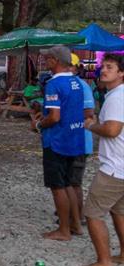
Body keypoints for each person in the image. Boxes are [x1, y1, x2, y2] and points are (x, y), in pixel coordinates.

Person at [77, 53, 124, 266]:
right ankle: (123, 254)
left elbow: (112, 130)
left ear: (121, 73)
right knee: (119, 211)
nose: (103, 70)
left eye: (110, 67)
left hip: (114, 167)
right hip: (121, 166)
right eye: (102, 66)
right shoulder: (118, 95)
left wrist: (91, 125)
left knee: (93, 213)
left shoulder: (116, 97)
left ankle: (104, 262)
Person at [35, 45, 86, 240]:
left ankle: (63, 230)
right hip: (74, 140)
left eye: (47, 58)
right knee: (69, 184)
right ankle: (75, 225)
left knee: (58, 187)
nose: (45, 61)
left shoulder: (53, 84)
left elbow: (54, 117)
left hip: (56, 141)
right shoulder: (77, 82)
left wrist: (40, 124)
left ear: (55, 61)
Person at [71, 53, 96, 221]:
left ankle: (78, 216)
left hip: (79, 141)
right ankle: (70, 212)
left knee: (74, 182)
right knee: (68, 181)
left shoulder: (82, 86)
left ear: (74, 68)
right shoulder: (62, 84)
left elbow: (88, 113)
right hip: (69, 141)